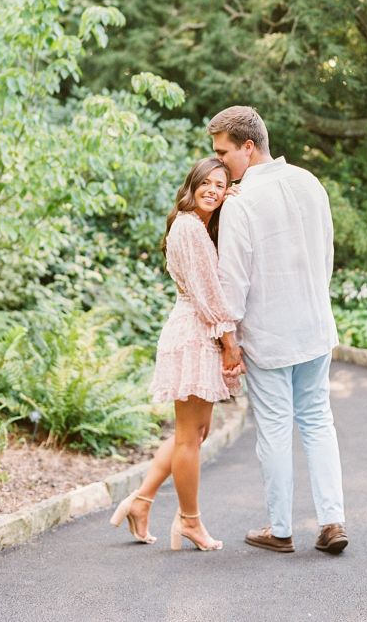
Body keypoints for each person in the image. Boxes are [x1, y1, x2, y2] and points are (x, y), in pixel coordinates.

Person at [209, 105, 348, 555]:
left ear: (248, 148)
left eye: (223, 152)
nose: (221, 162)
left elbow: (234, 280)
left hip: (269, 334)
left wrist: (228, 339)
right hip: (314, 325)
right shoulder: (311, 183)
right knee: (317, 421)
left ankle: (281, 528)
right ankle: (332, 522)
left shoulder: (242, 203)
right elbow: (326, 255)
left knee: (273, 428)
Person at [109, 156, 244, 552]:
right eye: (208, 183)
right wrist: (229, 344)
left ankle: (141, 499)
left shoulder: (200, 227)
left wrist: (234, 199)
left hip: (199, 333)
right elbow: (208, 295)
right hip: (194, 335)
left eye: (222, 185)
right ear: (192, 184)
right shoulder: (188, 228)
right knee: (189, 437)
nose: (213, 191)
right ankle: (189, 521)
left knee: (196, 433)